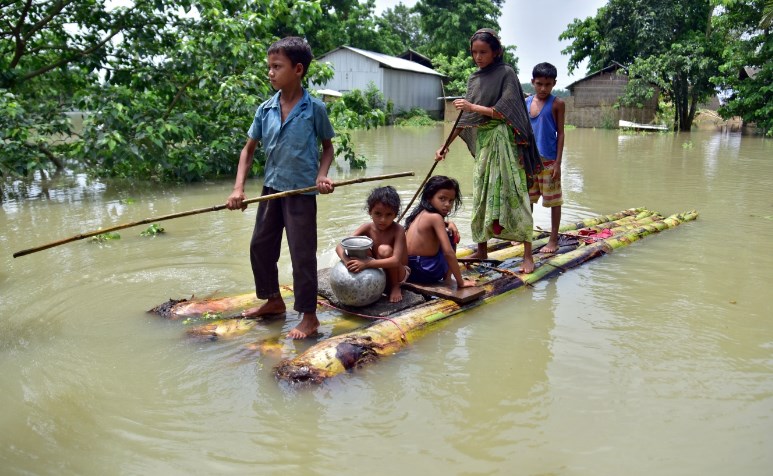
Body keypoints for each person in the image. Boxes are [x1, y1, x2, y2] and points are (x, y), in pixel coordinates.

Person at [225, 37, 335, 340]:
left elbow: (327, 148)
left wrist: (322, 176)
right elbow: (248, 151)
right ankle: (273, 301)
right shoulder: (265, 109)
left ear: (298, 69)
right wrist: (238, 190)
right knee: (260, 246)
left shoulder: (314, 109)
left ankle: (309, 317)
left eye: (277, 67)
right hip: (271, 190)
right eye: (269, 67)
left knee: (302, 254)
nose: (270, 73)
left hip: (301, 193)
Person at [435, 28, 542, 273]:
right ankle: (482, 248)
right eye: (474, 52)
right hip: (484, 144)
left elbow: (506, 110)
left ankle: (527, 254)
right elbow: (464, 120)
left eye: (483, 52)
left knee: (515, 194)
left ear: (496, 52)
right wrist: (444, 146)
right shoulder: (474, 79)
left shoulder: (507, 73)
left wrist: (473, 105)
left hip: (504, 142)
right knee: (481, 193)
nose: (478, 57)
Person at [336, 186, 410, 303]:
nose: (383, 220)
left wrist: (366, 264)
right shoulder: (367, 227)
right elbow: (340, 246)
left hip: (399, 273)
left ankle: (395, 287)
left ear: (395, 215)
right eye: (378, 214)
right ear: (370, 212)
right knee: (361, 248)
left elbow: (395, 260)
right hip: (380, 267)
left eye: (388, 215)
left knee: (384, 250)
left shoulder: (398, 230)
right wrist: (347, 262)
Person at [404, 175, 477, 288]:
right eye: (442, 199)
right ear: (429, 197)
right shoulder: (436, 218)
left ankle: (447, 277)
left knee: (448, 230)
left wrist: (449, 223)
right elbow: (448, 252)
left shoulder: (419, 213)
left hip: (409, 271)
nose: (447, 204)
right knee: (450, 235)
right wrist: (460, 282)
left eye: (451, 200)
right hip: (425, 273)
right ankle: (448, 279)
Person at [526, 62, 565, 253]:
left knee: (553, 201)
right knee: (528, 201)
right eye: (539, 84)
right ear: (532, 82)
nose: (543, 88)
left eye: (548, 84)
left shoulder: (557, 103)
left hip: (549, 162)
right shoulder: (525, 103)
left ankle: (553, 239)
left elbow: (561, 134)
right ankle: (526, 236)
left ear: (554, 84)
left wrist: (558, 162)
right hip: (529, 162)